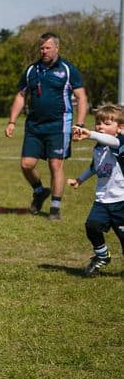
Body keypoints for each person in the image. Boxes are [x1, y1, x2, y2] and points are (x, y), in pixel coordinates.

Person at [5, 32, 88, 221]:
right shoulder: (31, 70)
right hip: (34, 125)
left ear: (57, 48)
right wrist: (12, 122)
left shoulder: (68, 69)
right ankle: (40, 191)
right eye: (41, 48)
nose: (44, 51)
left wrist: (80, 124)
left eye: (47, 47)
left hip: (59, 125)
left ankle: (55, 207)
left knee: (55, 164)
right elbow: (20, 95)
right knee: (26, 164)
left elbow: (82, 97)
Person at [68, 104, 124, 276]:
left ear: (120, 128)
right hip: (102, 200)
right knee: (91, 226)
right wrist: (80, 180)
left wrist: (90, 134)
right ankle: (102, 255)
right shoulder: (98, 147)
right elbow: (94, 167)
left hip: (121, 201)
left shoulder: (119, 143)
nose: (100, 126)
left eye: (107, 123)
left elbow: (113, 141)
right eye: (98, 122)